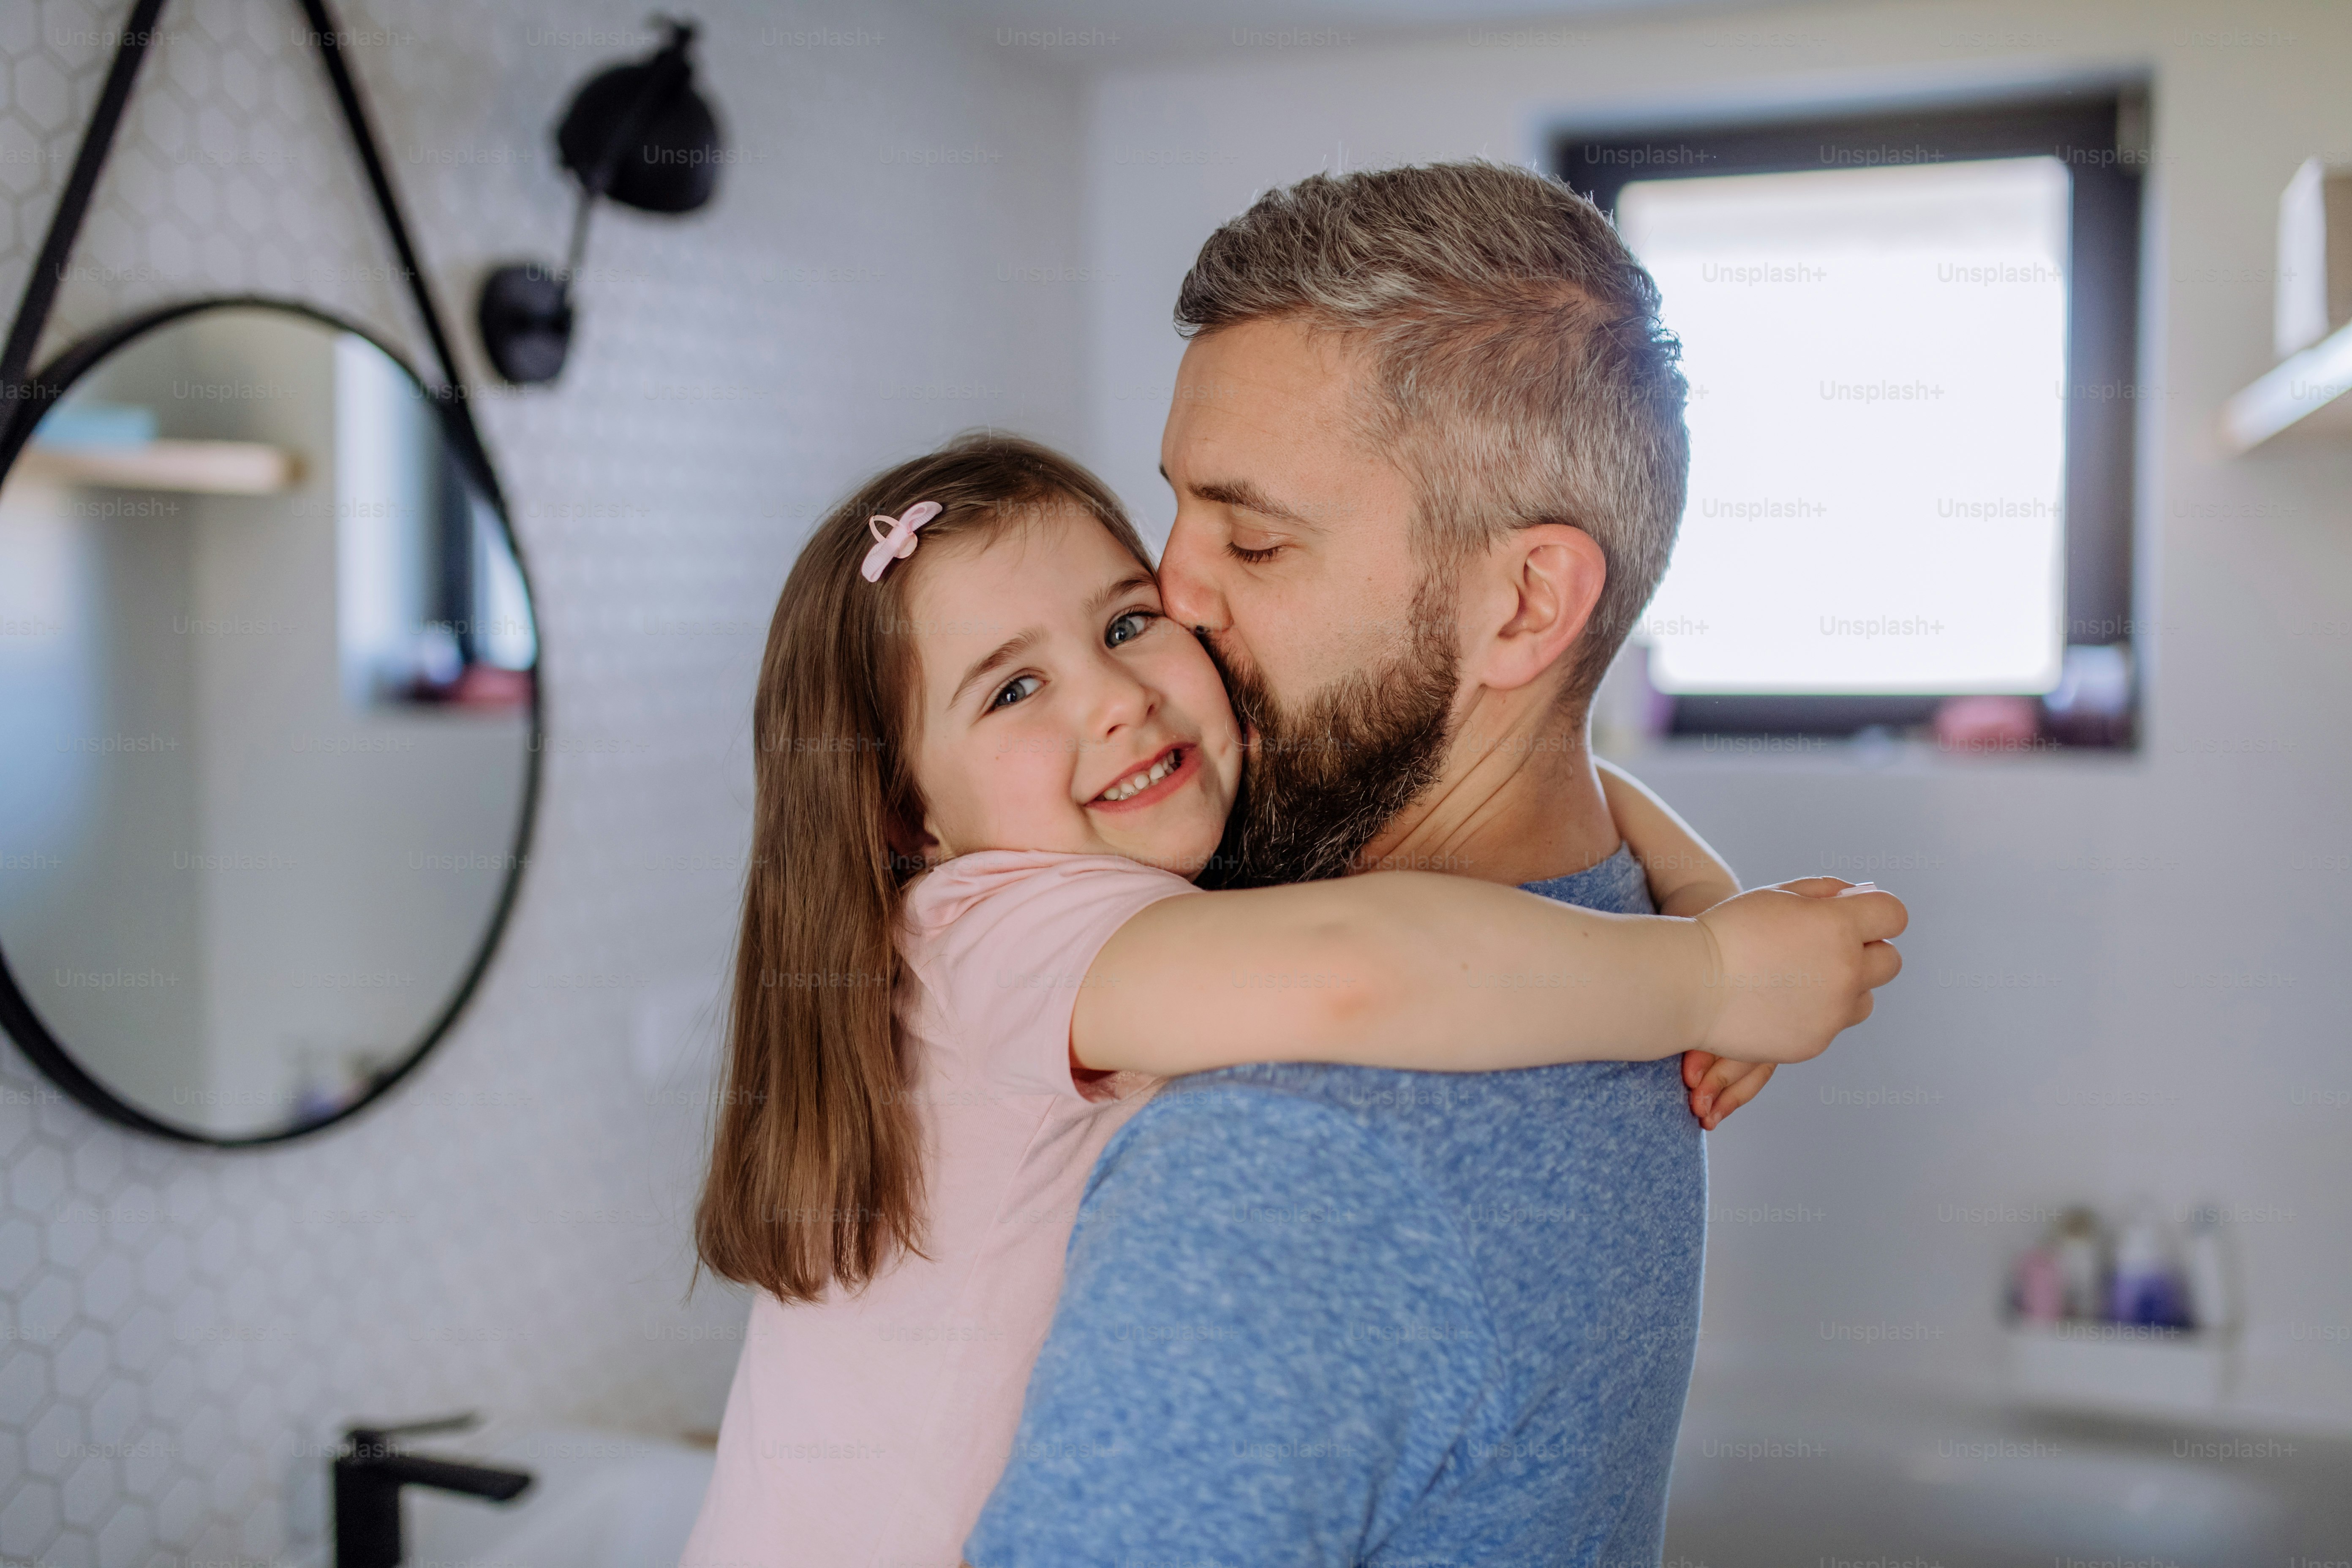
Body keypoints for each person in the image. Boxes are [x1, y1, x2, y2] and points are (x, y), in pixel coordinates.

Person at [677, 432, 1905, 1568]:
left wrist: (1698, 890)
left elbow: (1568, 771)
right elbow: (1354, 970)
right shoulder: (992, 926)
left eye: (1127, 624)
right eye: (1010, 691)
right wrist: (1710, 977)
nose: (1116, 699)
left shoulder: (1102, 869)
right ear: (907, 815)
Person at [961, 161, 1860, 1566]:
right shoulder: (1606, 923)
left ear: (1524, 603)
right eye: (1179, 514)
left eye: (1254, 539)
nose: (1170, 596)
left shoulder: (1280, 1171)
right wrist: (1712, 928)